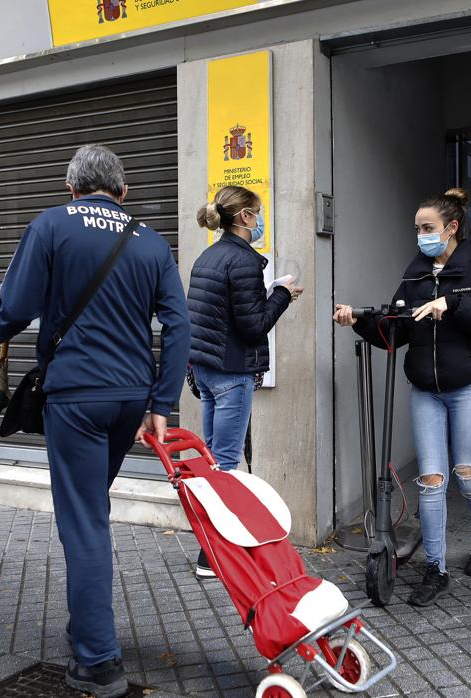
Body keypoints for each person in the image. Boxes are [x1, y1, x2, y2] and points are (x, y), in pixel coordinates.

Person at [0, 144, 189, 697]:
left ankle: (98, 660)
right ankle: (87, 619)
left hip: (76, 396)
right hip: (130, 399)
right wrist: (162, 405)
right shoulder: (150, 239)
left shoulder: (52, 225)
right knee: (91, 507)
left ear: (71, 188)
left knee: (84, 523)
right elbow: (178, 325)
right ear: (122, 192)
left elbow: (15, 306)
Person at [333, 188, 471, 607]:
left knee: (468, 479)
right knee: (432, 482)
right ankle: (436, 569)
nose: (421, 236)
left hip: (468, 388)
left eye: (427, 228)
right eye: (417, 230)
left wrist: (451, 304)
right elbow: (395, 328)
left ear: (451, 228)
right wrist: (358, 319)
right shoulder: (414, 276)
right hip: (425, 392)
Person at [187, 185, 302, 577]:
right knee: (225, 464)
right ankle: (214, 555)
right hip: (231, 373)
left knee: (212, 459)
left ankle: (209, 545)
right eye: (258, 213)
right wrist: (283, 293)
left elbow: (216, 317)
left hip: (204, 370)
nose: (261, 220)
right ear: (246, 218)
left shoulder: (207, 257)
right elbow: (253, 326)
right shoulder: (246, 262)